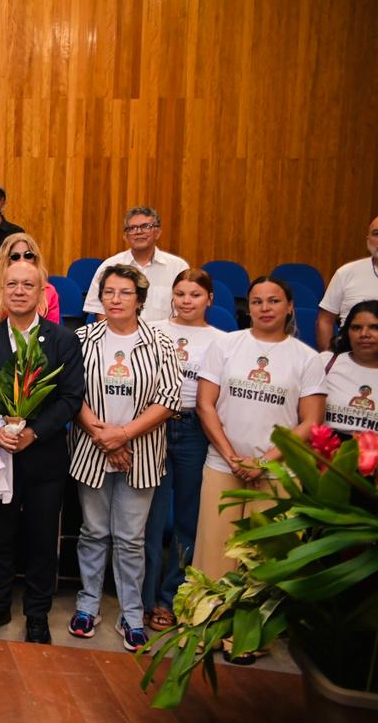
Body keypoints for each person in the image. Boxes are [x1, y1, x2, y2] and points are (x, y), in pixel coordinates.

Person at [0, 260, 85, 644]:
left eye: (27, 285)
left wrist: (34, 432)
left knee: (40, 538)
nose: (19, 291)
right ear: (2, 290)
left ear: (41, 293)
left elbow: (70, 398)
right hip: (0, 455)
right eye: (12, 284)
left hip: (43, 457)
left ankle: (37, 614)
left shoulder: (63, 339)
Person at [67, 265, 182, 652]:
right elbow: (70, 393)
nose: (115, 299)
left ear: (141, 300)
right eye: (109, 292)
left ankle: (131, 614)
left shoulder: (161, 343)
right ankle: (88, 604)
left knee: (131, 539)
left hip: (142, 455)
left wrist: (124, 436)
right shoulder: (82, 339)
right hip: (92, 449)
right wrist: (104, 435)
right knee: (93, 532)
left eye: (125, 293)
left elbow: (168, 399)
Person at [194, 278, 325, 585]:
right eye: (257, 301)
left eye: (274, 301)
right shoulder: (225, 345)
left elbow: (311, 421)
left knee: (265, 562)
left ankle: (253, 633)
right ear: (248, 307)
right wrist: (231, 456)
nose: (265, 308)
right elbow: (205, 404)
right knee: (213, 557)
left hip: (277, 472)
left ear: (290, 307)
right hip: (223, 467)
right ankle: (207, 629)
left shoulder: (307, 358)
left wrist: (263, 462)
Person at [142, 269, 224, 631]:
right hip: (154, 426)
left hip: (194, 429)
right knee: (151, 517)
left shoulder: (222, 341)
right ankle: (143, 599)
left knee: (188, 519)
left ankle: (169, 597)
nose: (186, 300)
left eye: (195, 294)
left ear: (209, 299)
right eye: (180, 293)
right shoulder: (154, 330)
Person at [82, 207, 190, 323]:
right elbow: (100, 311)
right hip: (120, 337)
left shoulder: (178, 267)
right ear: (125, 236)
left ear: (158, 233)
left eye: (146, 227)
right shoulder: (109, 266)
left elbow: (186, 310)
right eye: (132, 228)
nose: (139, 232)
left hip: (165, 338)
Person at [0, 233, 61, 332]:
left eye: (28, 255)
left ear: (35, 259)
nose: (22, 261)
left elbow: (53, 333)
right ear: (6, 261)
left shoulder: (48, 290)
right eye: (15, 257)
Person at [317, 217, 378, 350]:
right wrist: (330, 360)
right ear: (368, 239)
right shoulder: (346, 273)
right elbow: (325, 320)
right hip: (348, 355)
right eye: (376, 234)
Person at [322, 300, 378, 436]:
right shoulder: (325, 362)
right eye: (356, 328)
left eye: (374, 327)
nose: (364, 334)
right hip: (324, 450)